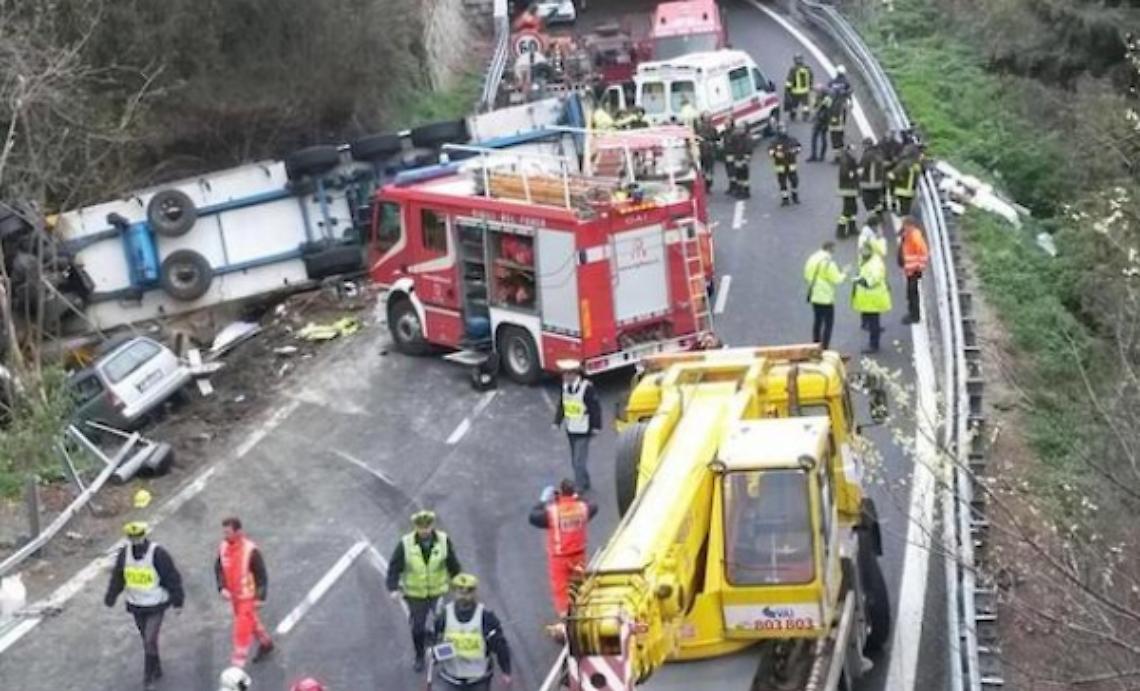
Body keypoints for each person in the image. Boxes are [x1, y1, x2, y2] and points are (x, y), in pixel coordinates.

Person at [104, 521, 184, 690]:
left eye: (138, 537)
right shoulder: (124, 555)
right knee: (147, 640)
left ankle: (148, 678)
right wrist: (111, 596)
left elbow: (172, 577)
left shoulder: (158, 554)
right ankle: (157, 668)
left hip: (156, 604)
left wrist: (178, 601)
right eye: (132, 537)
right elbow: (118, 577)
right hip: (136, 605)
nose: (135, 540)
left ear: (144, 535)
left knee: (149, 639)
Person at [387, 510, 463, 672]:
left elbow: (452, 563)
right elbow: (394, 567)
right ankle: (420, 656)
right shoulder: (405, 544)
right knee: (417, 628)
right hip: (415, 595)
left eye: (427, 527)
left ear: (432, 526)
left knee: (444, 623)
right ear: (416, 527)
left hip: (438, 592)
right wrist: (393, 587)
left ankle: (442, 651)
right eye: (421, 527)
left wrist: (460, 582)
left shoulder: (443, 540)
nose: (424, 531)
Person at [528, 479, 598, 617]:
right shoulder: (582, 508)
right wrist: (578, 496)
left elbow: (533, 517)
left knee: (561, 591)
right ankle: (583, 614)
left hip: (559, 558)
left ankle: (566, 620)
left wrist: (542, 501)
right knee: (580, 587)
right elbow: (593, 506)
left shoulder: (553, 512)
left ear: (560, 492)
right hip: (578, 555)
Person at [433, 574, 513, 690]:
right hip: (450, 678)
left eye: (468, 592)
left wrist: (506, 671)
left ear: (475, 593)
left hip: (478, 680)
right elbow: (435, 640)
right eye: (460, 591)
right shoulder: (444, 616)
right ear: (454, 592)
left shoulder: (486, 618)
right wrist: (434, 654)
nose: (464, 596)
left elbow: (500, 646)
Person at [214, 516, 273, 668]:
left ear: (238, 532)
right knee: (251, 621)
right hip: (235, 597)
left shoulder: (250, 550)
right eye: (224, 532)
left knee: (241, 631)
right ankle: (266, 643)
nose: (225, 536)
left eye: (228, 532)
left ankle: (237, 666)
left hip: (248, 597)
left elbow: (261, 575)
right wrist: (222, 587)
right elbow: (219, 569)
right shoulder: (223, 548)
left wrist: (260, 597)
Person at [553, 359, 602, 492]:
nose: (565, 377)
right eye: (563, 374)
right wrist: (557, 422)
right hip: (571, 429)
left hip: (584, 429)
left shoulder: (587, 388)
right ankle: (585, 481)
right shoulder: (564, 386)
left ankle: (579, 487)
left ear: (574, 374)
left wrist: (596, 427)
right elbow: (562, 405)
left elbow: (595, 408)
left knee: (578, 461)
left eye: (567, 374)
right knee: (575, 460)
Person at [803, 241, 848, 349]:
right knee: (828, 323)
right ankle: (825, 346)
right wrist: (844, 273)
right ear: (830, 249)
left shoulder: (812, 258)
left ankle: (815, 344)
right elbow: (836, 279)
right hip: (826, 297)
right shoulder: (828, 263)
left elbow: (806, 274)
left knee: (817, 321)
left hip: (815, 295)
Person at [851, 241, 892, 353]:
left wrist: (861, 281)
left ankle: (874, 345)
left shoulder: (875, 264)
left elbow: (874, 280)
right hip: (868, 298)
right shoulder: (867, 259)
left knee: (874, 321)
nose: (862, 253)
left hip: (873, 298)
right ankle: (871, 333)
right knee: (871, 320)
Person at [898, 217, 929, 324]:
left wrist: (919, 267)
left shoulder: (915, 237)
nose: (903, 227)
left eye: (905, 226)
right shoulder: (908, 234)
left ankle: (915, 316)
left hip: (914, 270)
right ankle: (912, 313)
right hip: (910, 270)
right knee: (910, 293)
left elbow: (924, 253)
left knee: (913, 293)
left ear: (910, 225)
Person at [768, 122, 801, 206]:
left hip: (791, 163)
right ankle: (785, 199)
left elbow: (798, 147)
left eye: (784, 128)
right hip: (780, 165)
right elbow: (770, 151)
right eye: (781, 129)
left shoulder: (792, 139)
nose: (783, 130)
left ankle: (795, 196)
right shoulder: (774, 141)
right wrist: (776, 154)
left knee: (794, 180)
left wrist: (795, 151)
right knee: (782, 182)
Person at [888, 146, 923, 216]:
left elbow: (892, 176)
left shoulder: (904, 164)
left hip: (901, 190)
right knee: (906, 210)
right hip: (911, 193)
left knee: (899, 211)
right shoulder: (917, 165)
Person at [724, 120, 753, 199]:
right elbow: (732, 144)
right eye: (739, 128)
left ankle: (746, 192)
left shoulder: (747, 138)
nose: (739, 130)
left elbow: (748, 150)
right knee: (739, 176)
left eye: (741, 128)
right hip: (737, 158)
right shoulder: (737, 136)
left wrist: (745, 160)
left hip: (743, 159)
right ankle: (740, 191)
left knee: (744, 177)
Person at [858, 138, 885, 216]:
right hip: (878, 184)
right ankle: (879, 215)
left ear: (866, 145)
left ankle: (873, 219)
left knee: (868, 203)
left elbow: (861, 171)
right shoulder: (879, 153)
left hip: (867, 184)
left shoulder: (866, 156)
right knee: (877, 202)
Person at [837, 144, 859, 238]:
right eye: (853, 150)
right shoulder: (846, 160)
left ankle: (852, 227)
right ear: (849, 150)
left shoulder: (849, 158)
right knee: (847, 210)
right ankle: (840, 230)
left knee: (853, 208)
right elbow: (845, 174)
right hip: (847, 189)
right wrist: (855, 173)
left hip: (851, 188)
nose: (854, 152)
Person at [694, 113, 719, 193]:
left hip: (703, 152)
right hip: (708, 152)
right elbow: (717, 139)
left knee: (704, 170)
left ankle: (705, 186)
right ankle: (707, 186)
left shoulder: (699, 128)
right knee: (708, 170)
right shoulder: (712, 128)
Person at [784, 54, 813, 121]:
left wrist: (787, 89)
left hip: (795, 91)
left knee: (794, 104)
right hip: (805, 90)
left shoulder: (793, 69)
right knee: (805, 104)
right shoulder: (807, 68)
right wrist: (810, 86)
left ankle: (793, 115)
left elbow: (789, 80)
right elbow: (811, 78)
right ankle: (805, 115)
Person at [807, 86, 832, 162]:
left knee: (822, 138)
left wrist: (825, 122)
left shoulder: (827, 100)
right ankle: (814, 155)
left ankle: (821, 156)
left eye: (818, 92)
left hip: (823, 121)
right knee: (815, 138)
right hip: (819, 120)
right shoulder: (819, 98)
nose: (817, 93)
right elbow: (816, 107)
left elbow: (825, 111)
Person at [827, 92, 849, 163]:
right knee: (840, 141)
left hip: (835, 126)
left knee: (835, 142)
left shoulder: (836, 104)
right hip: (841, 126)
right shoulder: (844, 103)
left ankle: (837, 158)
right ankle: (842, 156)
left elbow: (834, 115)